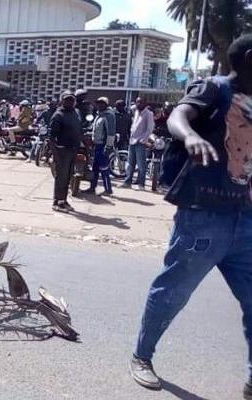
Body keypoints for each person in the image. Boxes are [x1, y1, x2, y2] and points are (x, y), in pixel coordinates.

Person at [129, 34, 252, 399]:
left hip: (247, 220)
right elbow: (180, 114)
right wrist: (190, 137)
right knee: (172, 293)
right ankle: (142, 356)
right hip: (204, 216)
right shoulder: (214, 88)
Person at [49, 91, 84, 212]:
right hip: (62, 150)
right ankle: (57, 202)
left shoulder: (76, 112)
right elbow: (52, 137)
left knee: (69, 176)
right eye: (67, 100)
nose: (70, 102)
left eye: (71, 100)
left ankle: (63, 200)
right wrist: (55, 152)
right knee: (61, 177)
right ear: (62, 101)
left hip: (73, 149)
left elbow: (79, 129)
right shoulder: (58, 115)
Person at [83, 97, 116, 195]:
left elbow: (111, 133)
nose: (99, 105)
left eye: (102, 103)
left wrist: (108, 146)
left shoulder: (108, 116)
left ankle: (108, 189)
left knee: (104, 168)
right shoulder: (98, 115)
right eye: (98, 103)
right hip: (96, 145)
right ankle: (92, 188)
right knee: (95, 169)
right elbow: (95, 129)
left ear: (106, 105)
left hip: (103, 146)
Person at [122, 97, 155, 188]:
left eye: (141, 102)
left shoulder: (149, 114)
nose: (138, 104)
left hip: (141, 142)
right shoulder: (136, 112)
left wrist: (143, 140)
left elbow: (149, 129)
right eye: (137, 102)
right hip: (132, 141)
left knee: (141, 164)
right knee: (130, 163)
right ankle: (127, 182)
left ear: (145, 103)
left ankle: (141, 184)